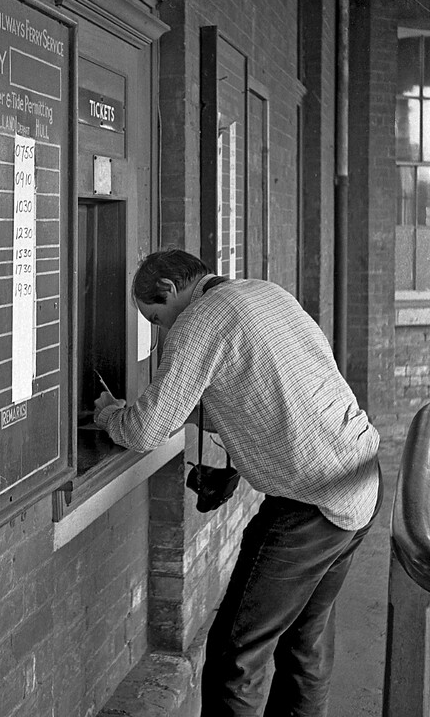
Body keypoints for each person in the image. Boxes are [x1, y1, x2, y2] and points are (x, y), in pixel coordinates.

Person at [93, 248, 382, 717]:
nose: (162, 330)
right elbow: (267, 393)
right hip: (361, 478)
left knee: (235, 657)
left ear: (168, 289)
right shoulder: (264, 293)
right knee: (304, 647)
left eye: (156, 317)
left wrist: (110, 414)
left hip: (312, 507)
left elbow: (145, 430)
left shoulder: (201, 320)